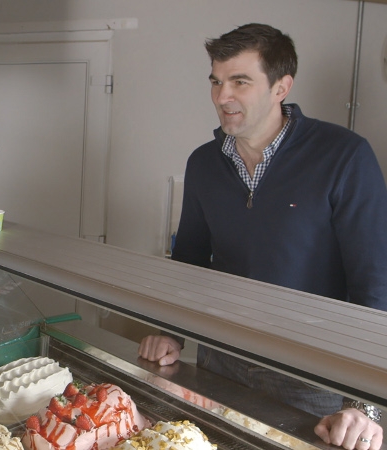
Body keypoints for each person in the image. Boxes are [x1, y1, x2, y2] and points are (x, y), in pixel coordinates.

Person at [138, 23, 386, 450]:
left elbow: (375, 286)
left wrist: (366, 404)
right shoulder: (203, 163)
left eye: (240, 82)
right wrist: (170, 332)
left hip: (313, 379)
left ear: (281, 87)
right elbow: (190, 261)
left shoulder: (345, 156)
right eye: (216, 81)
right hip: (220, 363)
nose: (222, 97)